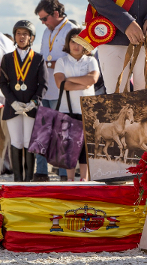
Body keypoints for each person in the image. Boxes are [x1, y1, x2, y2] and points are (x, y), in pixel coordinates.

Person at [34, 0, 76, 181]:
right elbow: (43, 56)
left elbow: (77, 59)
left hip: (63, 91)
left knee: (62, 133)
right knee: (42, 133)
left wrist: (53, 65)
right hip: (46, 88)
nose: (43, 23)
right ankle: (41, 172)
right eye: (40, 19)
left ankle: (63, 175)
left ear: (56, 13)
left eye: (45, 18)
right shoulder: (46, 31)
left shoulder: (72, 30)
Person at [0, 21, 48, 182]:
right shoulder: (7, 58)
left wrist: (34, 102)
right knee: (16, 141)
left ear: (31, 37)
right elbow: (3, 84)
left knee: (28, 141)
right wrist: (12, 102)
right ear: (15, 36)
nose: (22, 36)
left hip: (30, 107)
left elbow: (44, 84)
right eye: (19, 33)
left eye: (25, 34)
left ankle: (28, 180)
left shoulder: (38, 58)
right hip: (13, 108)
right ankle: (17, 180)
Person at [54, 28, 99, 181]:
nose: (76, 45)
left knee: (85, 148)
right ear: (68, 43)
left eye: (80, 42)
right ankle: (70, 179)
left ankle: (84, 179)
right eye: (73, 41)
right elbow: (61, 84)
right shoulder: (62, 61)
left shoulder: (91, 60)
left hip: (87, 110)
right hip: (67, 108)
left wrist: (71, 79)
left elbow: (92, 79)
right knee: (69, 146)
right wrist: (82, 83)